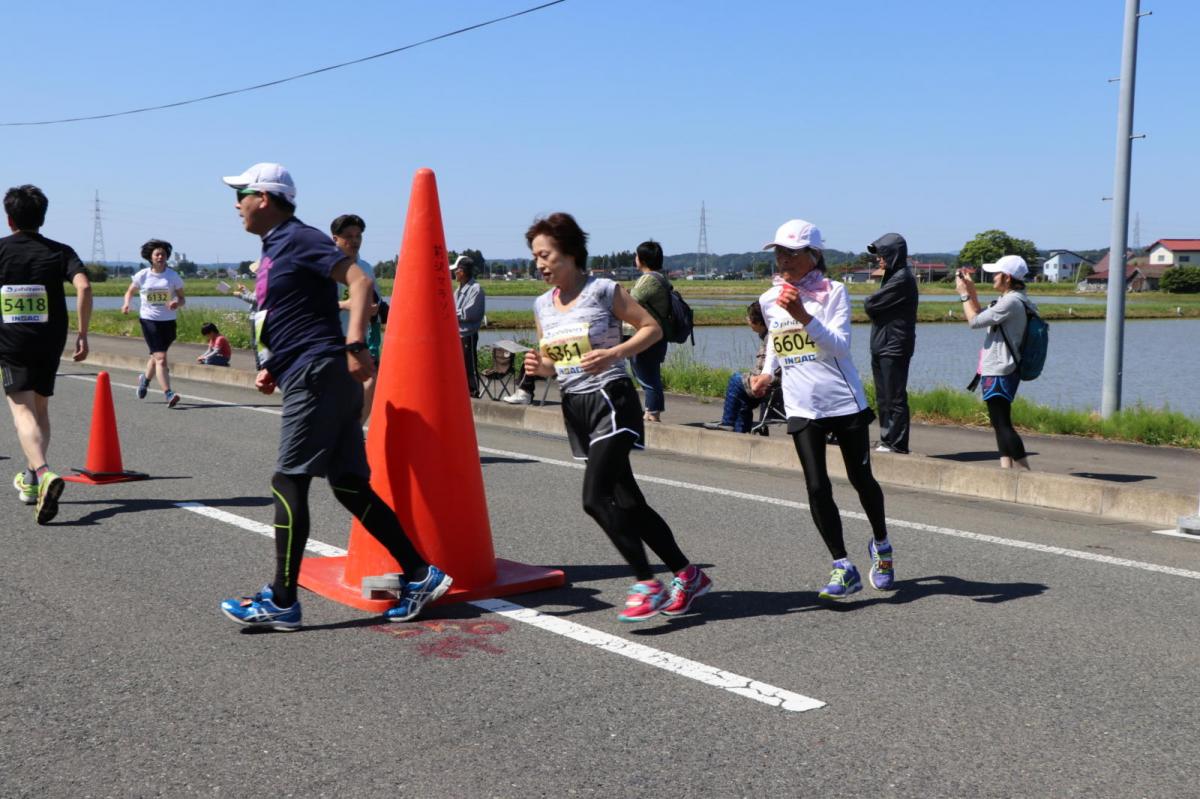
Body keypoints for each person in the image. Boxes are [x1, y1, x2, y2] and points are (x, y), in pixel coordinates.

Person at [216, 162, 452, 631]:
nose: (235, 205)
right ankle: (421, 574)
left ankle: (283, 600)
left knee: (288, 482)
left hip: (321, 371)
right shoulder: (273, 248)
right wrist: (271, 365)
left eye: (240, 194)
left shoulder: (299, 237)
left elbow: (360, 282)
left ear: (264, 197)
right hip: (309, 370)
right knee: (347, 483)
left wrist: (356, 343)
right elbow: (280, 314)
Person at [522, 212, 711, 621]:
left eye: (545, 254)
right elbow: (556, 364)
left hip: (613, 398)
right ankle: (687, 573)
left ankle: (646, 581)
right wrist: (542, 369)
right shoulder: (541, 305)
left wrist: (614, 353)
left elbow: (652, 328)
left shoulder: (604, 291)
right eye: (535, 256)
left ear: (570, 253)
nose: (539, 263)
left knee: (595, 499)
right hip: (575, 405)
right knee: (629, 501)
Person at [748, 219, 895, 599]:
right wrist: (766, 374)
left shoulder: (834, 292)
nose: (783, 259)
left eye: (791, 252)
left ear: (813, 255)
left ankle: (881, 545)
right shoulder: (770, 298)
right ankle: (842, 565)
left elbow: (840, 347)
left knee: (862, 480)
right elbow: (779, 344)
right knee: (816, 485)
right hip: (801, 404)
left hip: (842, 401)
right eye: (778, 251)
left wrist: (803, 314)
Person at [0, 184, 91, 525]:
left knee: (21, 411)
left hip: (11, 341)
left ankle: (42, 471)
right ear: (43, 216)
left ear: (9, 219)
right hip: (50, 339)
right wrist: (82, 333)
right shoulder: (60, 251)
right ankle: (30, 479)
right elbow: (83, 286)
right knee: (40, 408)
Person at [956, 255, 1035, 470]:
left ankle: (1026, 473)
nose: (992, 277)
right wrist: (971, 291)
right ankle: (1006, 470)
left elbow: (974, 321)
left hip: (1000, 369)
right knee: (1000, 423)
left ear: (1007, 277)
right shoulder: (1017, 298)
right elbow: (983, 314)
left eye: (996, 274)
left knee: (1002, 423)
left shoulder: (1010, 302)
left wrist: (964, 295)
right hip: (1007, 367)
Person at [863, 233, 917, 454]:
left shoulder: (902, 278)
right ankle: (887, 440)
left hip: (894, 346)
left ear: (893, 254)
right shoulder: (892, 277)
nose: (879, 259)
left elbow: (870, 305)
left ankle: (897, 443)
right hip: (883, 344)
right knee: (883, 396)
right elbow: (874, 306)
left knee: (894, 396)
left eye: (882, 254)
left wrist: (872, 306)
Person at [331, 214, 383, 423]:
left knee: (370, 382)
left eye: (358, 236)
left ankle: (354, 430)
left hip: (360, 341)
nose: (354, 241)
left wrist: (374, 308)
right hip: (331, 339)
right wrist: (345, 305)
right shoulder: (325, 267)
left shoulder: (366, 268)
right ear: (335, 238)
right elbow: (313, 306)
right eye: (348, 236)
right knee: (336, 393)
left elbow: (376, 299)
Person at [122, 238, 186, 408]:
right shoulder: (143, 275)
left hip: (168, 321)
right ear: (150, 257)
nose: (160, 257)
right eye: (157, 254)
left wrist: (176, 303)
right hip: (149, 320)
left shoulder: (172, 276)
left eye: (163, 254)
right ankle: (168, 393)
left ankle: (144, 379)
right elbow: (130, 291)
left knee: (156, 357)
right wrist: (126, 303)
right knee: (161, 358)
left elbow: (182, 298)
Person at [702, 301, 779, 432]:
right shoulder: (770, 334)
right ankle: (741, 434)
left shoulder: (769, 338)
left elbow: (763, 370)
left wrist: (751, 379)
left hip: (769, 384)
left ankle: (727, 422)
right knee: (743, 399)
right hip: (775, 384)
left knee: (736, 380)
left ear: (759, 322)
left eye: (749, 317)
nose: (747, 320)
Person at [628, 240, 672, 422]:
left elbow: (631, 302)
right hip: (655, 335)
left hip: (648, 336)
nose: (635, 258)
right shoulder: (658, 278)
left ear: (643, 259)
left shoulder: (649, 279)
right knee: (648, 373)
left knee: (647, 374)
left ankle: (652, 413)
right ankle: (650, 411)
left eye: (637, 255)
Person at [454, 255, 485, 396]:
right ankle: (462, 390)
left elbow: (470, 312)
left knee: (469, 364)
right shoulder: (458, 290)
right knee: (459, 365)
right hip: (458, 333)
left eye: (457, 270)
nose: (455, 273)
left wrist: (452, 314)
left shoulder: (475, 289)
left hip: (468, 333)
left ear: (463, 271)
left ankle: (473, 390)